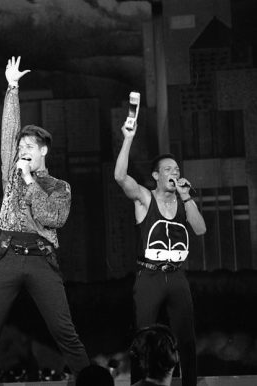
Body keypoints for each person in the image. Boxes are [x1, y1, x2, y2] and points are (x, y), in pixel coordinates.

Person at [0, 56, 90, 385]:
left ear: (43, 152)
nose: (22, 150)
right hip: (6, 255)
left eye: (30, 146)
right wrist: (12, 87)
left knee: (65, 332)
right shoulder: (11, 173)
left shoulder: (58, 187)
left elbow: (53, 217)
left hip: (41, 259)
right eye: (21, 146)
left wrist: (30, 181)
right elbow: (8, 133)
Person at [114, 118, 207, 386]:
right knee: (142, 338)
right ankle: (140, 384)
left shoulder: (183, 202)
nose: (174, 173)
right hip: (150, 277)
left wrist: (187, 197)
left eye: (176, 169)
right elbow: (120, 177)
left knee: (186, 338)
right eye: (168, 169)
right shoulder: (145, 197)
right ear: (156, 175)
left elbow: (200, 230)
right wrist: (128, 138)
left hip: (176, 277)